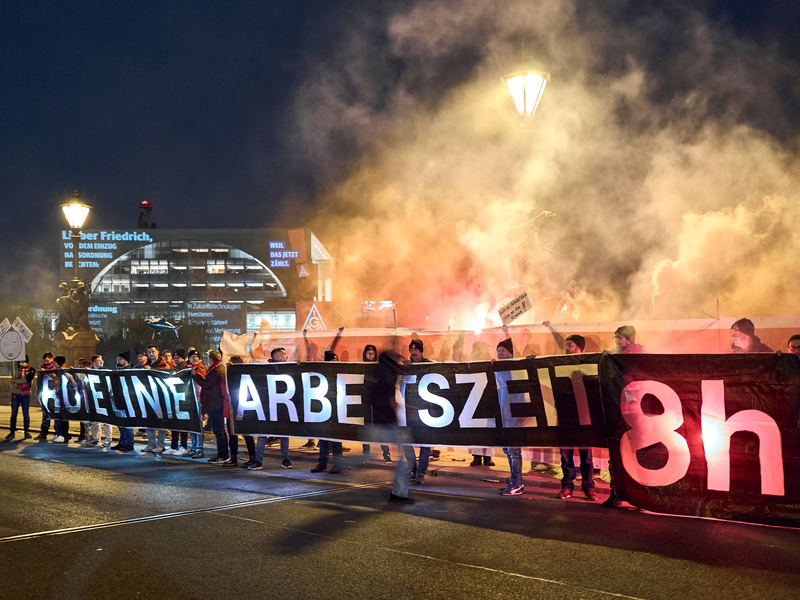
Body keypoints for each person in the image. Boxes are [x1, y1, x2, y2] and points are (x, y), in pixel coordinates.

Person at [556, 335, 597, 501]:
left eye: (570, 345)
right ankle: (567, 486)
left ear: (579, 348)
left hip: (583, 416)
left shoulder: (587, 365)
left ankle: (588, 487)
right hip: (565, 416)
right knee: (566, 455)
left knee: (586, 455)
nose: (566, 348)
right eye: (565, 345)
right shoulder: (558, 364)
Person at [249, 349, 292, 470]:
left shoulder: (288, 368)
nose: (286, 357)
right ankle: (259, 460)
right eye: (284, 355)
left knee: (284, 434)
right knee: (263, 435)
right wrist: (233, 368)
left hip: (282, 408)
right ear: (278, 356)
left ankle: (285, 459)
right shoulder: (265, 368)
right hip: (268, 408)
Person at [403, 339, 438, 484]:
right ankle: (412, 469)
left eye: (416, 350)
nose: (413, 352)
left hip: (424, 410)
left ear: (421, 351)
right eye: (411, 350)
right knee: (406, 441)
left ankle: (421, 472)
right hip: (409, 410)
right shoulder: (406, 366)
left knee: (425, 442)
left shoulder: (428, 365)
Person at [495, 338, 524, 496]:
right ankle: (516, 482)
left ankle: (517, 483)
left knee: (514, 451)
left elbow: (520, 393)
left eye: (503, 351)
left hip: (513, 417)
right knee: (509, 450)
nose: (500, 353)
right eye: (498, 350)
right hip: (504, 416)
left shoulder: (515, 369)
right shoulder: (498, 369)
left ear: (511, 353)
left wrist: (519, 415)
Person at [311, 351, 344, 474]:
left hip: (336, 408)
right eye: (333, 361)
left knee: (336, 438)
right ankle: (322, 463)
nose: (336, 363)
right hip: (324, 408)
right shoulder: (322, 373)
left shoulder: (339, 373)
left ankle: (338, 464)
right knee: (323, 438)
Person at [193, 349, 228, 464]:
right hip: (216, 402)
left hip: (215, 403)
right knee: (219, 430)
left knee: (219, 431)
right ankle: (222, 454)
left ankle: (222, 455)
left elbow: (207, 384)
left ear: (211, 359)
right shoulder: (218, 368)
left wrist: (196, 376)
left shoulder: (216, 370)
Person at [360, 344, 392, 464]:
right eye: (368, 353)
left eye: (372, 353)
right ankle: (366, 454)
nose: (370, 355)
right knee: (366, 428)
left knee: (380, 429)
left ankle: (386, 453)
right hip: (366, 404)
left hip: (378, 405)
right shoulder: (360, 367)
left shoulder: (379, 369)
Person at [142, 345, 170, 453]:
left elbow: (163, 376)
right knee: (149, 421)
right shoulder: (145, 365)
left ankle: (160, 444)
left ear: (158, 352)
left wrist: (151, 371)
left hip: (160, 396)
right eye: (149, 352)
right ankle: (151, 443)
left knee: (161, 421)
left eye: (153, 351)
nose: (151, 354)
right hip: (148, 395)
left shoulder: (164, 365)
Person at [111, 352, 135, 452]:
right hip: (118, 399)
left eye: (120, 359)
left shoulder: (129, 371)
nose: (118, 360)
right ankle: (122, 442)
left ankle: (130, 443)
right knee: (120, 422)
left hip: (126, 399)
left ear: (125, 360)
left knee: (127, 422)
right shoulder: (118, 370)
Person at [6, 357, 35, 441]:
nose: (21, 363)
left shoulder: (31, 369)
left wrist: (16, 381)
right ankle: (12, 432)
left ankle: (27, 432)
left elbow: (27, 379)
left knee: (25, 413)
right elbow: (12, 380)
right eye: (20, 362)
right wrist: (15, 380)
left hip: (25, 394)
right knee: (14, 413)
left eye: (23, 362)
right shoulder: (15, 370)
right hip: (15, 393)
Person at [186, 349, 207, 459]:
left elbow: (202, 381)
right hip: (188, 399)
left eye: (196, 356)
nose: (195, 358)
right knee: (191, 424)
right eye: (192, 356)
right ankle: (194, 447)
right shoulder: (186, 368)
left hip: (198, 399)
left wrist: (195, 374)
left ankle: (199, 448)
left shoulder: (200, 368)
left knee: (198, 424)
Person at [35, 352, 57, 440]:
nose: (47, 363)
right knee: (45, 414)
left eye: (48, 361)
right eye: (45, 361)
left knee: (56, 414)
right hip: (46, 392)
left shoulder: (56, 366)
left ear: (52, 358)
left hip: (55, 394)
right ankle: (43, 433)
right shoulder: (42, 368)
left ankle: (58, 433)